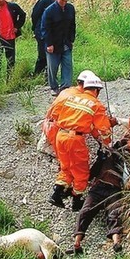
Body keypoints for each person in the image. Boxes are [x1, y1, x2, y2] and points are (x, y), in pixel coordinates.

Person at [48, 74, 113, 212]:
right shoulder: (96, 105)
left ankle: (56, 194)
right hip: (74, 139)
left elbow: (55, 114)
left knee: (66, 167)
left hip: (60, 135)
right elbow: (104, 129)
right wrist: (107, 143)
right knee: (81, 171)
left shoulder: (72, 98)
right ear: (96, 90)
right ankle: (77, 200)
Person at [69, 145, 127, 255]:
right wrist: (100, 160)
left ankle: (116, 242)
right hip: (100, 188)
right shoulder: (104, 158)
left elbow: (126, 177)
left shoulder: (122, 160)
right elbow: (91, 175)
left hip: (113, 189)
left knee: (113, 213)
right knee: (86, 211)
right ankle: (77, 243)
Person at [43, 70, 95, 155]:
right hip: (57, 128)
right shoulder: (77, 97)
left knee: (64, 160)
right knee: (70, 158)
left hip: (52, 125)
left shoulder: (69, 91)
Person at [41, 0, 76, 96]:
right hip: (53, 44)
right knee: (53, 67)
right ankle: (54, 87)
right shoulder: (49, 11)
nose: (64, 3)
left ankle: (66, 87)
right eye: (62, 0)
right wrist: (49, 44)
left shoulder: (70, 9)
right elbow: (45, 28)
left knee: (67, 65)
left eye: (66, 1)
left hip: (66, 43)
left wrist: (71, 39)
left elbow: (72, 25)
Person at [31, 0, 67, 76]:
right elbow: (35, 16)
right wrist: (36, 30)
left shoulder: (63, 4)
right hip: (42, 33)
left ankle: (49, 76)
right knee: (42, 55)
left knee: (53, 56)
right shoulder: (43, 2)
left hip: (55, 35)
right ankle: (37, 75)